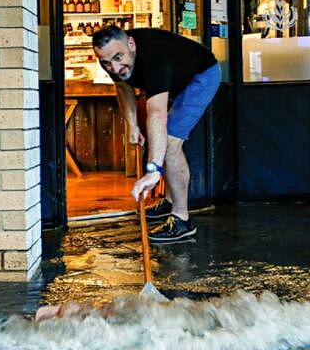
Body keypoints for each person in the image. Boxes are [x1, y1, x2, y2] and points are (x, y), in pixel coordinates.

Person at [91, 26, 220, 243]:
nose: (114, 67)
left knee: (169, 143)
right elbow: (123, 89)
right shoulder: (110, 56)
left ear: (131, 44)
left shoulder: (154, 57)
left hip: (201, 77)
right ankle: (169, 201)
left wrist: (154, 171)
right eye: (106, 63)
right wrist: (132, 125)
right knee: (160, 138)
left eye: (118, 58)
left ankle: (181, 220)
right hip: (178, 79)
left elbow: (157, 115)